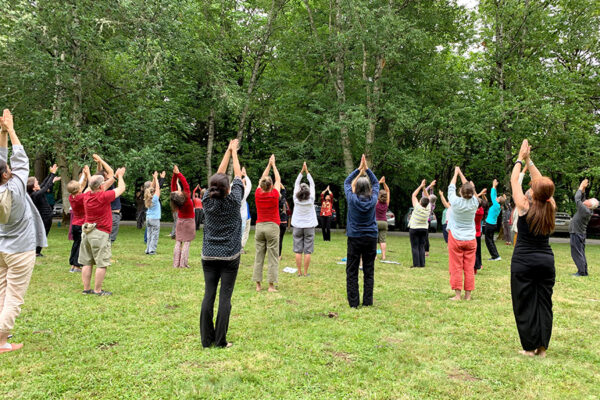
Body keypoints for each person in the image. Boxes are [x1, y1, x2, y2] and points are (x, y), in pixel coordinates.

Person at [0, 109, 47, 354]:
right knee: (14, 297)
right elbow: (21, 158)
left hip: (1, 248)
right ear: (6, 174)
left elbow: (5, 158)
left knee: (2, 292)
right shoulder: (17, 186)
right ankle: (1, 341)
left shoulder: (6, 184)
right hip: (20, 250)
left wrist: (3, 133)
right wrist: (12, 130)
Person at [510, 139, 556, 357]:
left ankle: (529, 348)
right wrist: (530, 161)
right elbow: (541, 184)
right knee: (544, 303)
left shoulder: (524, 206)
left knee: (524, 303)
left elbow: (514, 181)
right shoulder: (551, 207)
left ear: (534, 194)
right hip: (546, 261)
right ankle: (543, 348)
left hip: (524, 261)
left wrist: (521, 159)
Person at [200, 139, 244, 348]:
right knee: (225, 298)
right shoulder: (234, 200)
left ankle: (206, 341)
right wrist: (233, 153)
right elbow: (237, 176)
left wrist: (227, 151)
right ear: (228, 188)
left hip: (208, 255)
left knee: (209, 295)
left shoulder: (206, 199)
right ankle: (220, 341)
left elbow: (217, 179)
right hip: (229, 256)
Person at [79, 164, 126, 296]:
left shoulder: (86, 195)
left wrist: (114, 178)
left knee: (87, 262)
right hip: (100, 233)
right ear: (101, 186)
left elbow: (98, 185)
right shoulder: (103, 197)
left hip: (87, 233)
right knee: (101, 263)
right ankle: (98, 290)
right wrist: (120, 176)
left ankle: (86, 289)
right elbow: (122, 188)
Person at [344, 154, 379, 308]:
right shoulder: (373, 199)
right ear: (369, 188)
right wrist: (367, 170)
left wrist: (359, 169)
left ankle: (353, 302)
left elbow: (346, 182)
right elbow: (377, 183)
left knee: (352, 270)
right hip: (370, 237)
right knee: (368, 270)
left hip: (355, 237)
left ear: (356, 188)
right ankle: (367, 301)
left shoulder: (352, 199)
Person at [446, 167, 480, 300]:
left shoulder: (455, 202)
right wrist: (461, 173)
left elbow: (451, 186)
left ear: (460, 192)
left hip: (456, 237)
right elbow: (469, 187)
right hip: (471, 238)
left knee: (456, 266)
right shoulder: (475, 202)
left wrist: (456, 173)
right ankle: (468, 295)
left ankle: (457, 295)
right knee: (469, 267)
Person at [253, 154, 282, 292]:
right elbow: (278, 179)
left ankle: (258, 285)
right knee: (273, 257)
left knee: (259, 256)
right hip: (272, 226)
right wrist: (274, 165)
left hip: (259, 227)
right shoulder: (275, 194)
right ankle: (271, 286)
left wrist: (268, 165)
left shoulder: (258, 193)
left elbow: (261, 180)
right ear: (271, 186)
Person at [27, 163, 60, 256]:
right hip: (44, 217)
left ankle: (37, 251)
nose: (38, 183)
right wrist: (52, 175)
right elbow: (46, 187)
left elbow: (45, 183)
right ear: (33, 186)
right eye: (36, 182)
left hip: (46, 216)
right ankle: (36, 251)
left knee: (43, 233)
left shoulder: (36, 192)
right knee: (42, 233)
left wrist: (50, 175)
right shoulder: (35, 194)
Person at [292, 162, 318, 276]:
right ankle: (306, 272)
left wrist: (301, 172)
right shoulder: (311, 198)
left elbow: (296, 183)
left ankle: (299, 272)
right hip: (309, 226)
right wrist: (307, 172)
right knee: (308, 251)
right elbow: (312, 185)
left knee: (298, 250)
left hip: (297, 225)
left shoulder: (295, 199)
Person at [569, 179, 598, 277]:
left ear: (590, 205)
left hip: (577, 233)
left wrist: (581, 186)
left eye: (589, 201)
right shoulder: (587, 209)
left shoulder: (585, 210)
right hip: (579, 233)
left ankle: (581, 272)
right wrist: (584, 189)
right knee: (580, 252)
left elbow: (577, 198)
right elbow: (582, 198)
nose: (587, 200)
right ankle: (584, 271)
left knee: (576, 253)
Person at [171, 166, 196, 268]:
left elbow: (173, 187)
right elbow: (186, 185)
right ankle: (183, 264)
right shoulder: (187, 199)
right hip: (189, 222)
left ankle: (176, 263)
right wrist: (178, 174)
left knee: (178, 242)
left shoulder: (176, 202)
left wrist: (174, 175)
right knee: (186, 243)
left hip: (180, 221)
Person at [67, 166, 90, 273]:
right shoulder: (82, 197)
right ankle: (77, 266)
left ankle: (72, 264)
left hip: (75, 224)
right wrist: (88, 174)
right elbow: (90, 187)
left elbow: (79, 185)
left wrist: (84, 175)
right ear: (79, 189)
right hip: (82, 224)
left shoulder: (71, 197)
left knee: (76, 243)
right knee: (81, 245)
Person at [408, 180, 430, 268]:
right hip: (424, 229)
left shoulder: (417, 207)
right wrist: (424, 189)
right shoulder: (428, 208)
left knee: (415, 246)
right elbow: (428, 197)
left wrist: (421, 186)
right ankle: (422, 264)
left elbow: (413, 195)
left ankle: (416, 264)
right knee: (421, 246)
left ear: (420, 202)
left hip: (414, 228)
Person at [484, 179, 505, 261]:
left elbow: (493, 196)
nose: (496, 198)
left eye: (498, 198)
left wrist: (493, 186)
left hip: (490, 225)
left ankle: (495, 256)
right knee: (490, 241)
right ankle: (495, 256)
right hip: (492, 225)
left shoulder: (496, 205)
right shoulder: (498, 205)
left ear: (498, 200)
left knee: (488, 241)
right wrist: (495, 187)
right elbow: (495, 196)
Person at [145, 172, 162, 255]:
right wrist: (156, 179)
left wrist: (154, 178)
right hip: (155, 219)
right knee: (155, 235)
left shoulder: (147, 197)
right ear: (154, 192)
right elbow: (157, 188)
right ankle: (152, 250)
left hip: (148, 218)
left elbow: (151, 188)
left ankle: (148, 249)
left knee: (149, 235)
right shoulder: (155, 198)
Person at [376, 177, 390, 260]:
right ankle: (384, 256)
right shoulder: (386, 203)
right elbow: (388, 191)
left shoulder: (376, 202)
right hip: (384, 222)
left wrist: (379, 182)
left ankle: (375, 256)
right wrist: (384, 183)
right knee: (383, 240)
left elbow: (373, 189)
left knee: (374, 240)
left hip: (376, 222)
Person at [238, 168, 252, 250]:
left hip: (238, 217)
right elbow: (249, 186)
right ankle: (241, 247)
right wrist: (245, 175)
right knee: (244, 233)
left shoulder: (232, 195)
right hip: (244, 217)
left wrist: (239, 177)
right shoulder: (244, 196)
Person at [473, 190, 487, 273]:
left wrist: (475, 190)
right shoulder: (481, 210)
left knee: (473, 252)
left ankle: (474, 267)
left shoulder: (473, 212)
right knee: (478, 251)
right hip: (478, 233)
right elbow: (478, 200)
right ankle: (478, 265)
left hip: (472, 233)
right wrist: (476, 191)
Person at [422, 181, 436, 257]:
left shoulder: (427, 204)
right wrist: (431, 188)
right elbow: (430, 195)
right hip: (428, 221)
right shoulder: (433, 205)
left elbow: (424, 193)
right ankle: (426, 252)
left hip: (424, 220)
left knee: (423, 237)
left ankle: (423, 251)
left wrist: (429, 185)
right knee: (426, 237)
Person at [278, 184, 289, 260]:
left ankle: (276, 254)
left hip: (277, 222)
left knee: (275, 239)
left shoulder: (275, 201)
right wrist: (280, 183)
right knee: (280, 239)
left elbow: (283, 190)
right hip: (283, 222)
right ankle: (279, 255)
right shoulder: (284, 200)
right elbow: (284, 190)